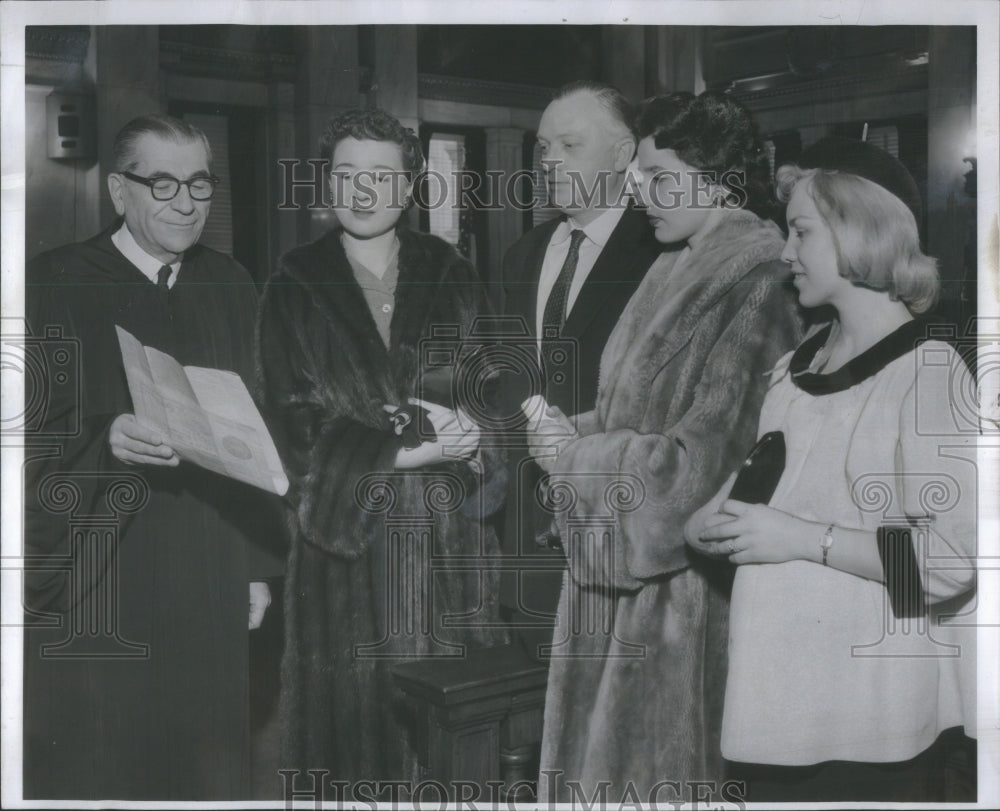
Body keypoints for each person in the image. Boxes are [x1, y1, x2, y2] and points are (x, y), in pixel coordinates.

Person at [528, 92, 801, 800]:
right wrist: (574, 430)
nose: (637, 190)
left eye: (657, 175)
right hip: (616, 591)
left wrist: (575, 461)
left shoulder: (761, 277)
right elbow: (642, 413)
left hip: (679, 611)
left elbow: (702, 475)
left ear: (715, 177)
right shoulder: (675, 257)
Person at [686, 138, 977, 803]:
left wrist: (801, 538)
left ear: (859, 230)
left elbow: (949, 565)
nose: (786, 252)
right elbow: (762, 496)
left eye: (801, 231)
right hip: (776, 709)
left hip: (871, 725)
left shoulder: (928, 371)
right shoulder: (798, 363)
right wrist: (712, 519)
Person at [23, 113, 282, 800]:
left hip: (208, 567)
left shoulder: (230, 284)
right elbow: (21, 438)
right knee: (108, 762)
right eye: (161, 184)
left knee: (207, 765)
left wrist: (255, 569)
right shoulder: (55, 281)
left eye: (199, 183)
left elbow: (255, 432)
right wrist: (105, 436)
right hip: (104, 567)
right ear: (117, 189)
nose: (186, 202)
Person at [256, 108, 507, 786]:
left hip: (451, 556)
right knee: (356, 763)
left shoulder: (453, 273)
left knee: (455, 764)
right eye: (346, 174)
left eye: (380, 175)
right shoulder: (293, 283)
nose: (362, 191)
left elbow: (494, 394)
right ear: (326, 184)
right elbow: (292, 423)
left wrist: (480, 436)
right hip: (346, 564)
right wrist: (405, 453)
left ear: (410, 183)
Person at [500, 81, 662, 661]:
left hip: (618, 537)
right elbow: (506, 375)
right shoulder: (523, 254)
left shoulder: (660, 253)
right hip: (527, 540)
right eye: (543, 147)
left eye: (570, 145)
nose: (549, 162)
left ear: (623, 156)